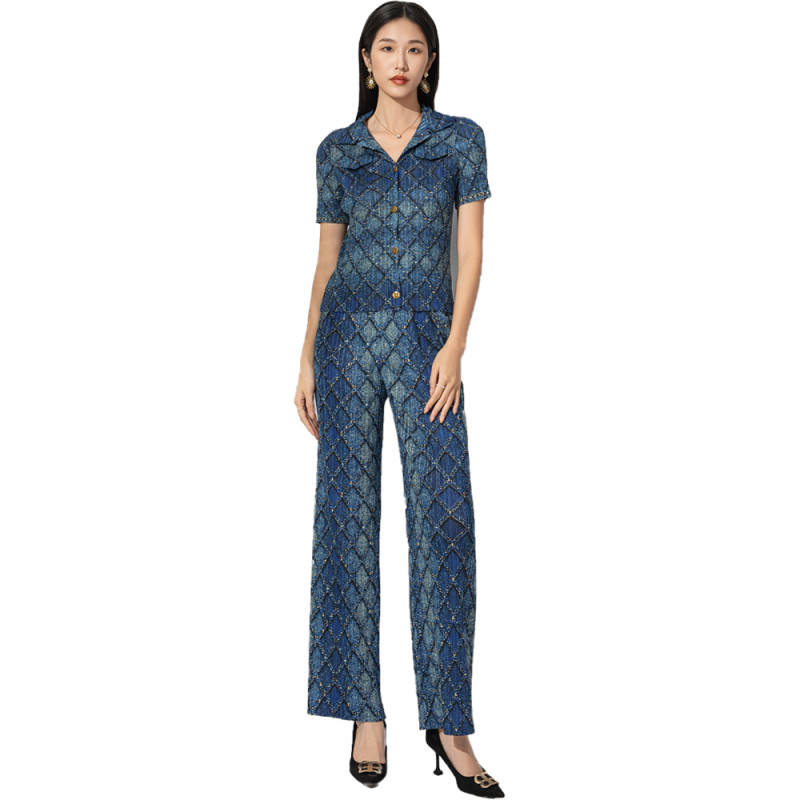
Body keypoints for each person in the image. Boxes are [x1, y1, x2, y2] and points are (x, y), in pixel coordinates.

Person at [295, 4, 504, 796]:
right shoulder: (338, 150)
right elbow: (326, 260)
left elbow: (471, 251)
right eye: (387, 47)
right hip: (346, 341)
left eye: (415, 49)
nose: (400, 60)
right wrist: (306, 356)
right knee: (346, 520)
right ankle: (363, 713)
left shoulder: (460, 141)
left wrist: (455, 346)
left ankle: (449, 723)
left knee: (446, 519)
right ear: (365, 58)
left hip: (426, 345)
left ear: (430, 61)